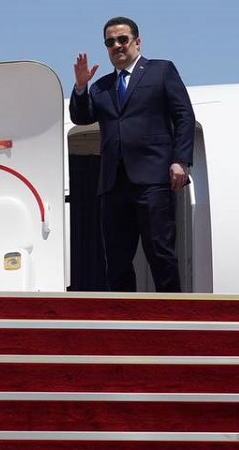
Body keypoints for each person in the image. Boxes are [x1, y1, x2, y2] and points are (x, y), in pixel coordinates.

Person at [69, 16, 195, 292]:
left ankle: (171, 312)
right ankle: (124, 313)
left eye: (122, 39)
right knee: (116, 258)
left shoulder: (161, 71)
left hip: (153, 179)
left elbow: (184, 115)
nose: (117, 45)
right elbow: (81, 117)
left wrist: (181, 160)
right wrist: (80, 88)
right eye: (110, 42)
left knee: (160, 253)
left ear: (137, 42)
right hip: (113, 183)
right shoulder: (100, 86)